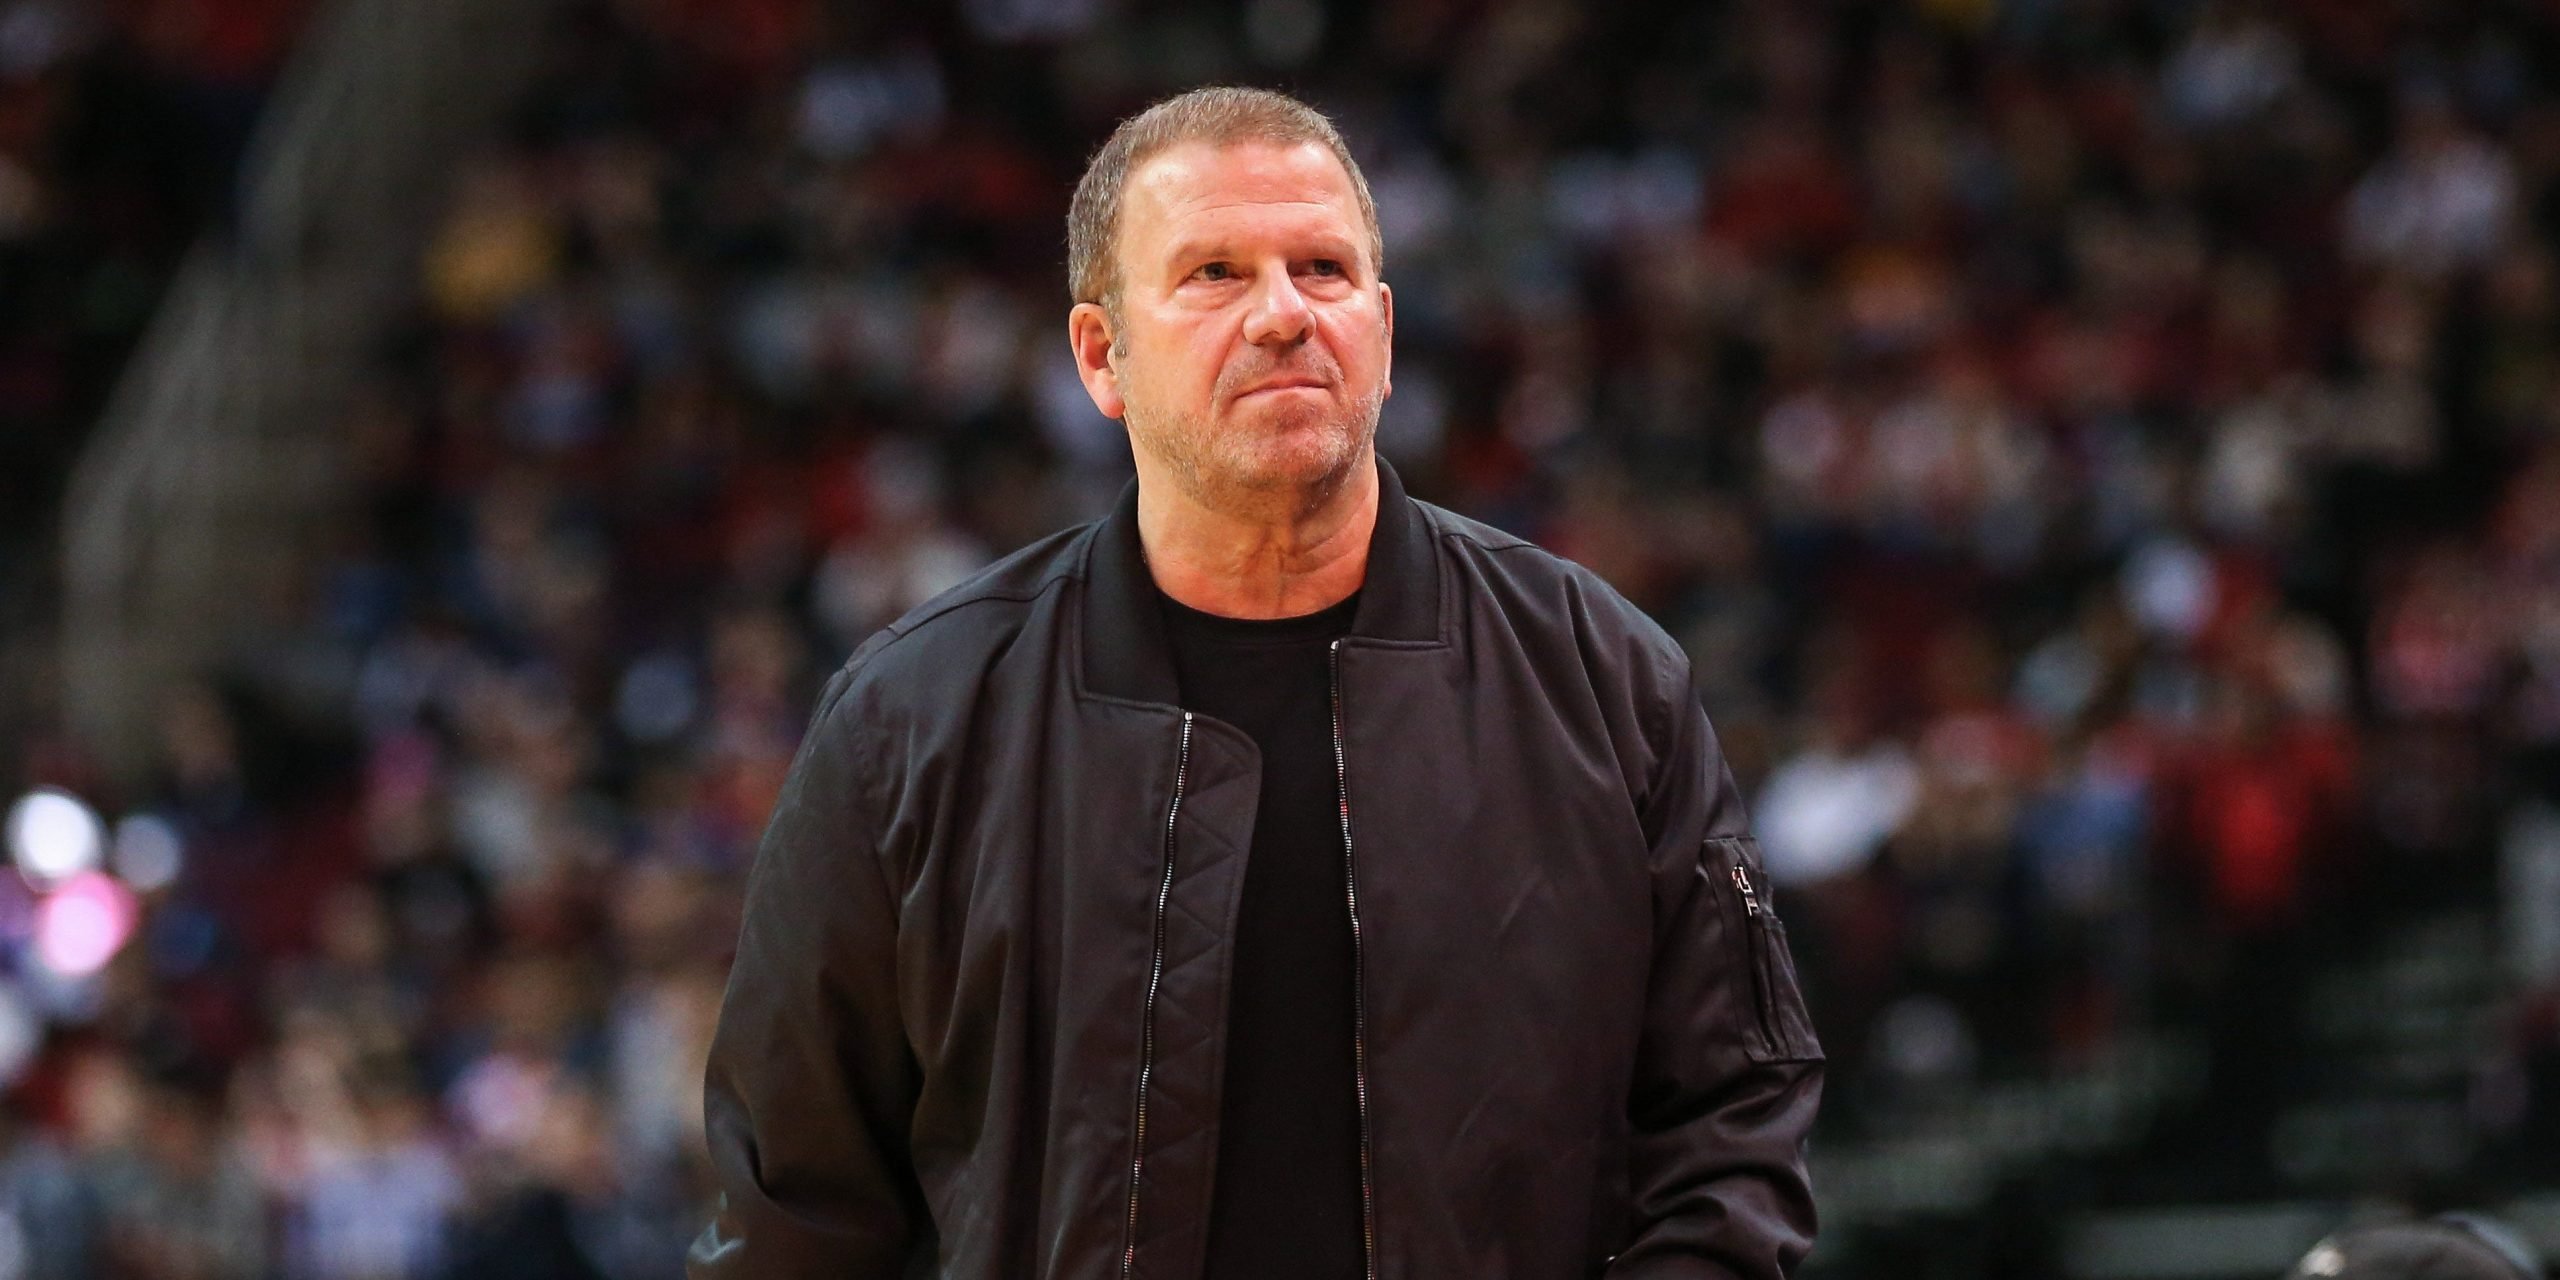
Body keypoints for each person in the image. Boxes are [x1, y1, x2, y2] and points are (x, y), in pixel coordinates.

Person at [687, 85, 1822, 1280]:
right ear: (1099, 355)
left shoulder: (1603, 678)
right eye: (1214, 273)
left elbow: (1729, 1134)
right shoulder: (910, 717)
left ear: (1380, 331)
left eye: (1322, 268)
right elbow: (790, 1206)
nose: (1282, 313)